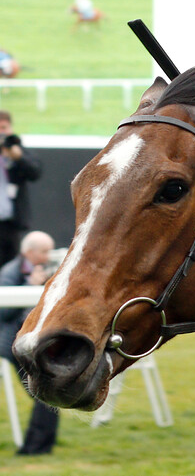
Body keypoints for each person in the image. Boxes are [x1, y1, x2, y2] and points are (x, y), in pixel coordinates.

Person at [0, 231, 59, 455]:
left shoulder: (48, 270)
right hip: (15, 346)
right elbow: (3, 313)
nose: (48, 256)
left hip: (38, 343)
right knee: (46, 395)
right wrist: (30, 286)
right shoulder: (10, 272)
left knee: (48, 394)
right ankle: (36, 448)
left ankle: (38, 447)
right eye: (44, 251)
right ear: (29, 252)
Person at [0, 111, 43, 267]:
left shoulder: (16, 150)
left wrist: (17, 156)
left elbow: (35, 171)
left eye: (4, 128)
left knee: (10, 265)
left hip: (10, 223)